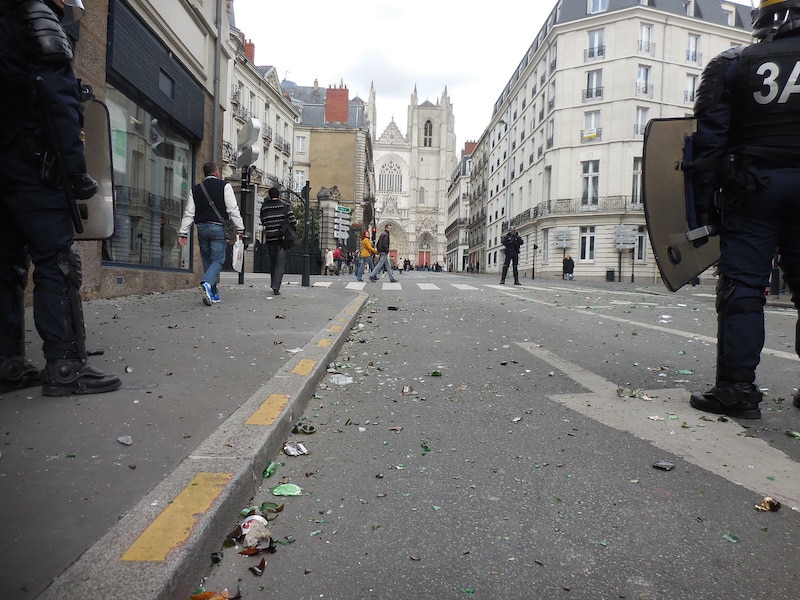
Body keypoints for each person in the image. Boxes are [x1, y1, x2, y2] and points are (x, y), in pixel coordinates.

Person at [0, 0, 121, 396]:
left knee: (7, 265)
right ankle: (66, 365)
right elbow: (56, 101)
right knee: (57, 261)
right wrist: (75, 169)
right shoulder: (36, 19)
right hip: (32, 162)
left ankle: (8, 364)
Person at [687, 0, 800, 419]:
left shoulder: (733, 63)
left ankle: (736, 389)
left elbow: (708, 144)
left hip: (753, 189)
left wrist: (702, 211)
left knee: (743, 289)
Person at [178, 162, 244, 305]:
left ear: (205, 173)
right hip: (217, 227)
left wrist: (183, 232)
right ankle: (206, 283)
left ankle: (213, 293)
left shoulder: (195, 189)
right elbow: (232, 209)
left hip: (201, 227)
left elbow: (189, 213)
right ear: (217, 172)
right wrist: (240, 228)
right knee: (218, 260)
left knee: (207, 261)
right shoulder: (224, 186)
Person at [258, 187, 297, 296]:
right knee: (280, 263)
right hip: (281, 239)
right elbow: (293, 221)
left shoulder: (264, 207)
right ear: (279, 195)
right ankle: (276, 286)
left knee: (273, 262)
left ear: (269, 195)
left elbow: (263, 221)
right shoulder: (285, 206)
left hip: (270, 238)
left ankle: (273, 282)